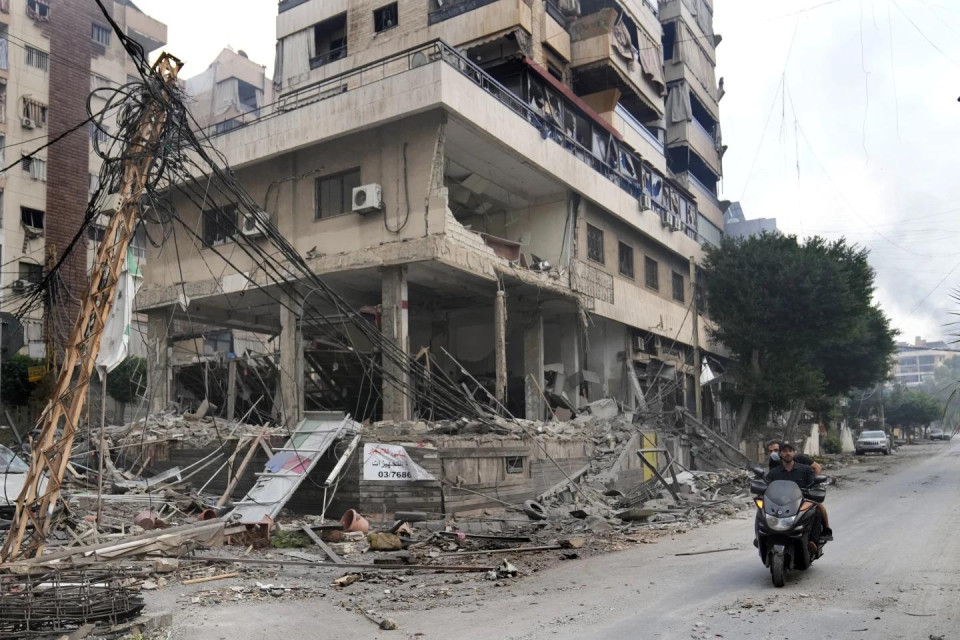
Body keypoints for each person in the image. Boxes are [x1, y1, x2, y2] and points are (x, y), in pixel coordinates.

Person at [765, 442, 832, 543]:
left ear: (794, 452)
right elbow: (770, 481)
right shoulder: (774, 464)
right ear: (781, 453)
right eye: (771, 451)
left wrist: (814, 486)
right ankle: (764, 537)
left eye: (774, 450)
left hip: (803, 493)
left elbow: (817, 467)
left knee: (816, 506)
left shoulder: (802, 461)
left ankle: (825, 530)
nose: (773, 453)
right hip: (783, 496)